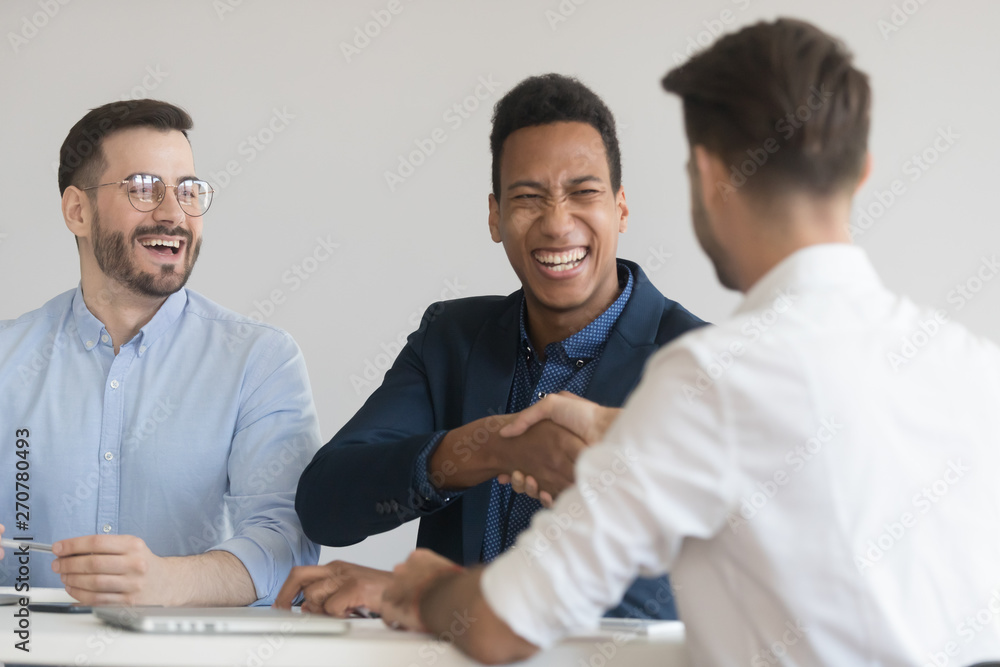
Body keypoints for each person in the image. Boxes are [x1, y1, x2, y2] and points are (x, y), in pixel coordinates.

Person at [375, 18, 1000, 666]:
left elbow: (502, 624)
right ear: (862, 173)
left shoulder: (711, 379)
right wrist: (629, 434)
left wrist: (425, 589)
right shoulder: (978, 370)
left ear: (707, 174)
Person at [282, 74, 704, 619]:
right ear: (495, 216)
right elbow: (325, 503)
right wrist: (489, 447)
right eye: (528, 197)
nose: (557, 224)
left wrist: (423, 594)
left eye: (584, 192)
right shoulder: (450, 338)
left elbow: (660, 608)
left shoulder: (702, 362)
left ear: (621, 208)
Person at [0, 99, 320, 606]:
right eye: (144, 188)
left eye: (188, 191)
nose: (174, 214)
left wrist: (166, 582)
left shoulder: (259, 361)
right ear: (77, 211)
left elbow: (288, 547)